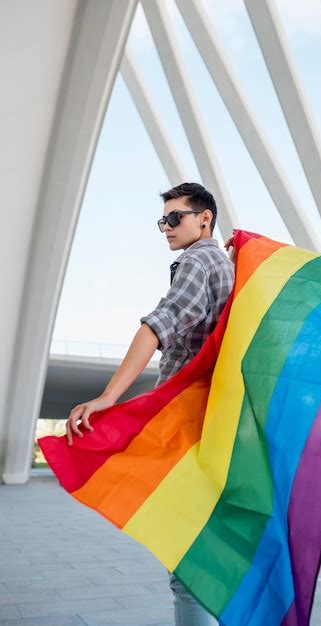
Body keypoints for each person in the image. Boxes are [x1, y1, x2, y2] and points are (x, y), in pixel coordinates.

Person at [65, 182, 235, 626]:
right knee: (198, 559)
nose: (166, 227)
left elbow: (159, 324)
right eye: (162, 220)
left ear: (205, 218)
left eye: (175, 217)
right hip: (209, 425)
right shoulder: (222, 262)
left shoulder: (199, 259)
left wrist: (108, 396)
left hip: (189, 428)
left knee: (186, 566)